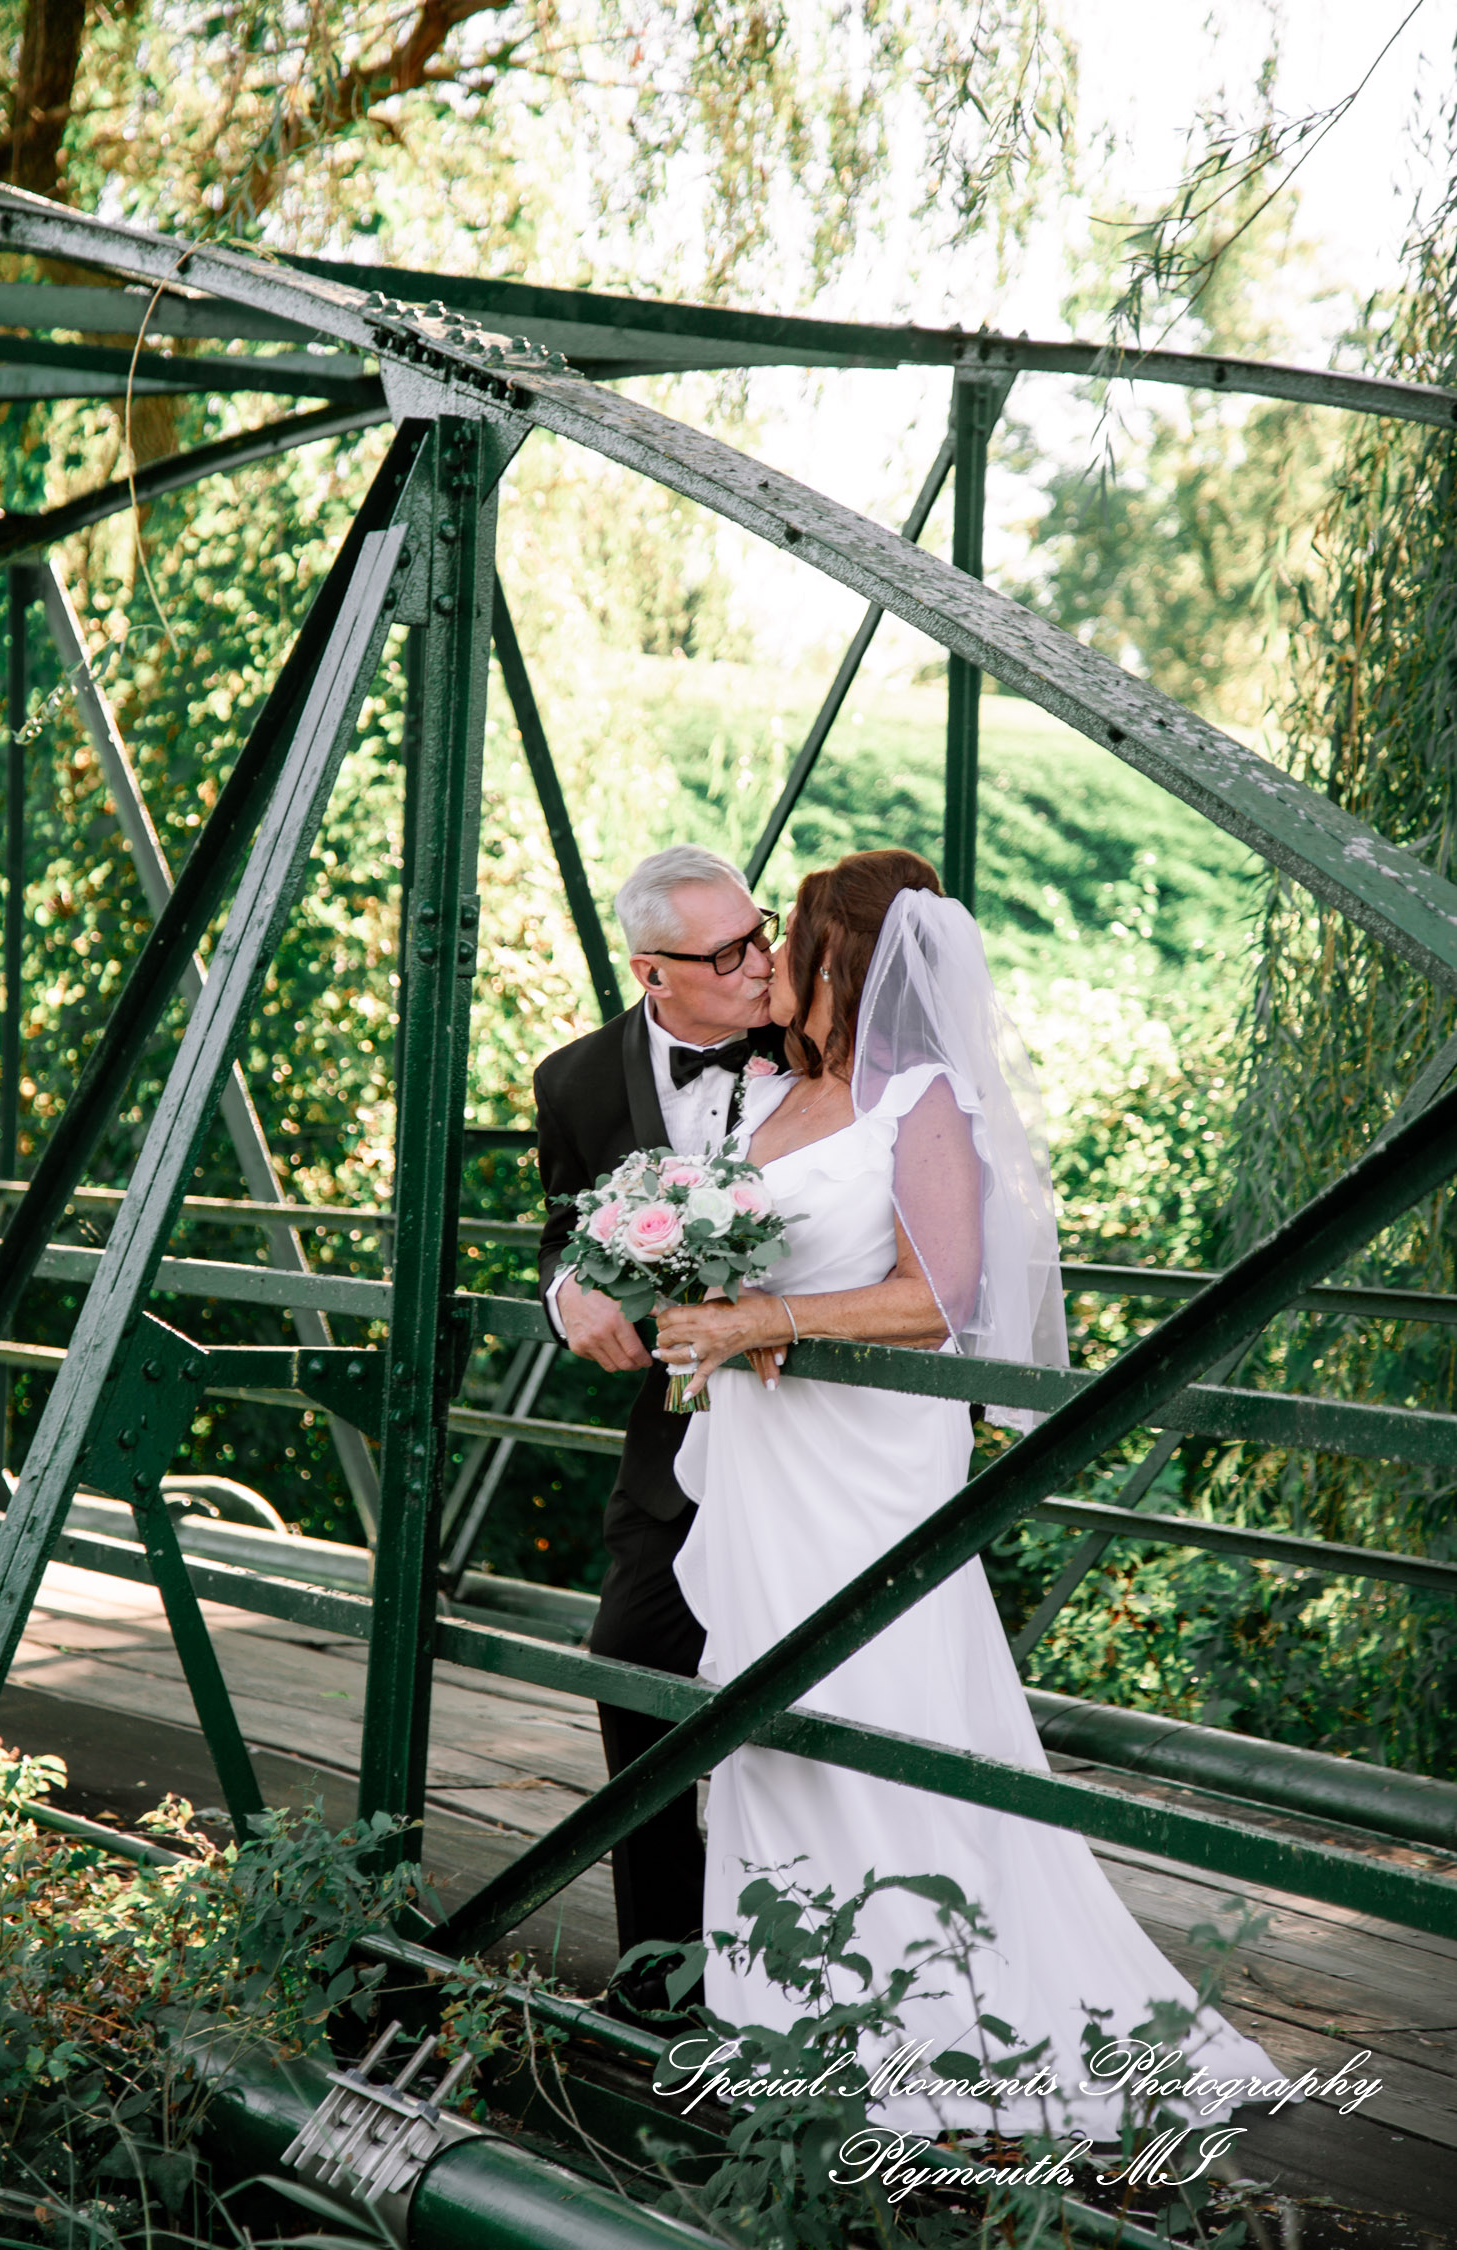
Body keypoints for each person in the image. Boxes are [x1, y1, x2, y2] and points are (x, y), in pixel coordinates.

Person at [652, 847, 1284, 2139]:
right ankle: (785, 2021)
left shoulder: (921, 1098)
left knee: (877, 1703)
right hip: (771, 1457)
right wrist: (698, 1298)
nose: (768, 958)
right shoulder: (765, 1096)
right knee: (769, 1715)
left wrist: (765, 1312)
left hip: (869, 1467)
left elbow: (937, 1298)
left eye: (794, 938)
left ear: (850, 960)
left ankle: (927, 2017)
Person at [534, 845, 785, 1985]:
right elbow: (562, 1234)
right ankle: (657, 1971)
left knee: (805, 1703)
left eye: (761, 931)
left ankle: (797, 1965)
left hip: (809, 1429)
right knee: (630, 1664)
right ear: (652, 972)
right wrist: (570, 1291)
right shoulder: (576, 1084)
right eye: (726, 952)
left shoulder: (817, 1040)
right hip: (673, 1441)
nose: (758, 962)